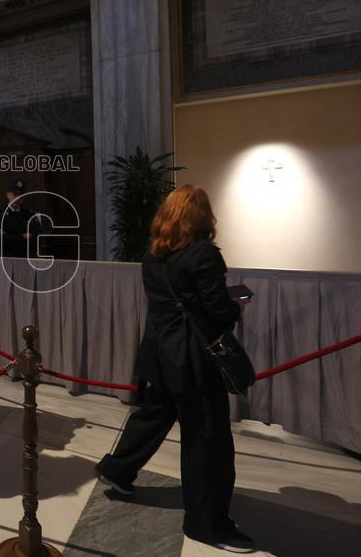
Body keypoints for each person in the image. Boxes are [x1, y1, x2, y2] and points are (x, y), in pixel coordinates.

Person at [94, 185, 253, 553]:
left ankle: (118, 469)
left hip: (159, 353)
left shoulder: (152, 255)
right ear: (201, 217)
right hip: (194, 360)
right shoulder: (204, 254)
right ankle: (206, 524)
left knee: (156, 413)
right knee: (208, 440)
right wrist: (237, 307)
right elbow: (217, 310)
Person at [0, 180, 41, 258]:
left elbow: (36, 242)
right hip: (5, 259)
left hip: (25, 259)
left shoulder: (30, 215)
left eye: (21, 195)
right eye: (15, 194)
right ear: (8, 195)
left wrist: (9, 236)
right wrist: (23, 236)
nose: (18, 198)